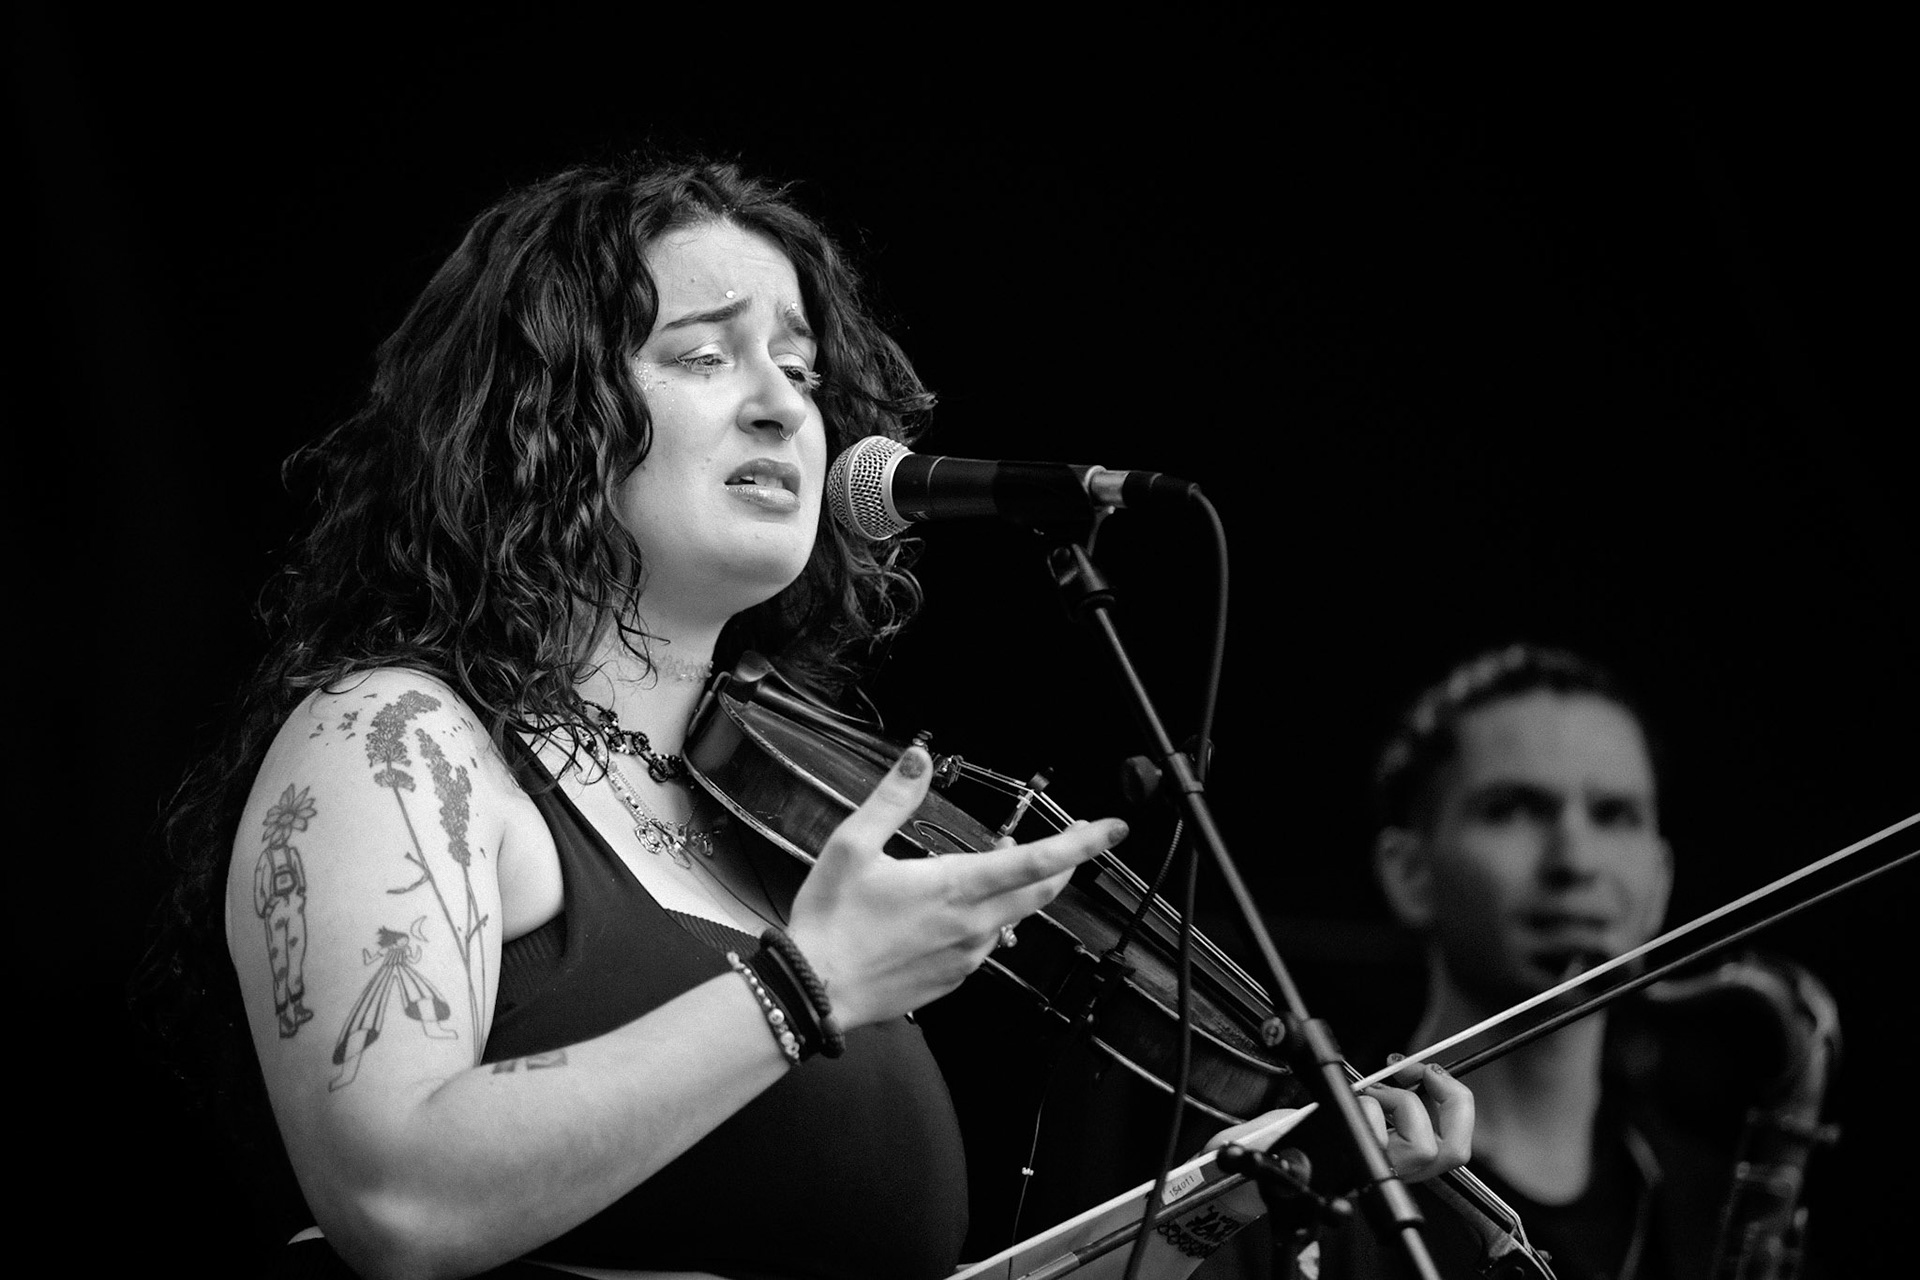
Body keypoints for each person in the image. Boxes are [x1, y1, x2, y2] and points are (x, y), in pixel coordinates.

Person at [158, 157, 1475, 1280]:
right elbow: (396, 1199)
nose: (788, 402)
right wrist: (805, 983)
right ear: (532, 419)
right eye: (701, 354)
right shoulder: (398, 743)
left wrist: (1210, 1217)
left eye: (797, 364)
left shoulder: (770, 818)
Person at [1332, 643, 1765, 1280]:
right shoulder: (1317, 1182)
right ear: (1409, 873)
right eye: (1514, 809)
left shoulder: (1713, 1209)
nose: (1575, 861)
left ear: (1660, 879)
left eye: (1614, 815)